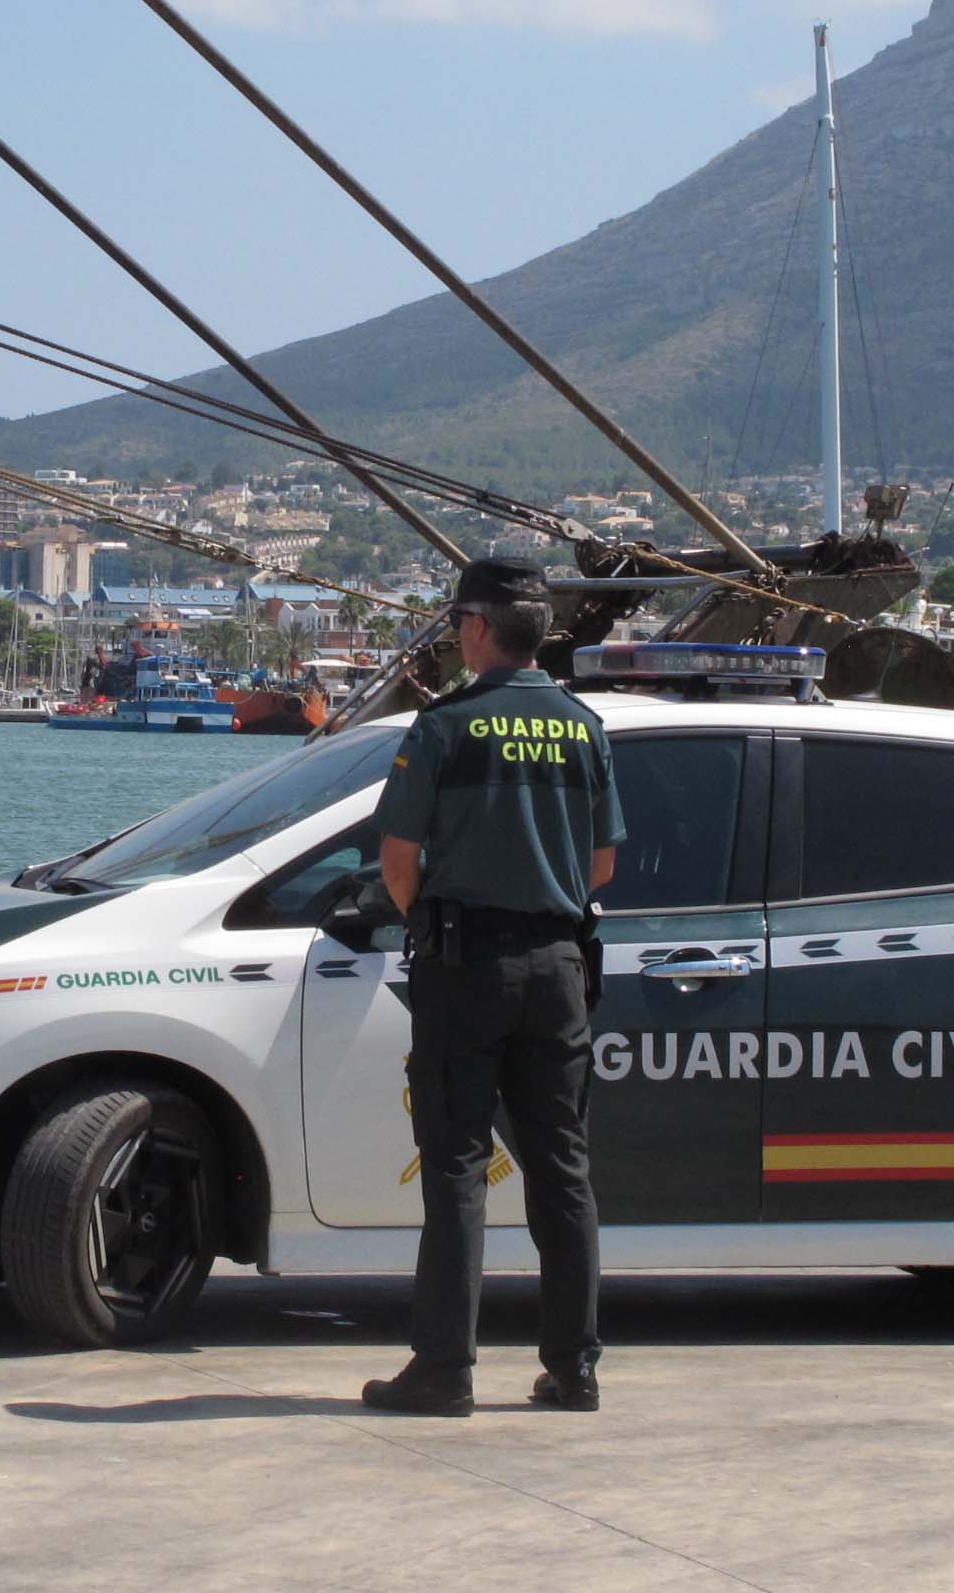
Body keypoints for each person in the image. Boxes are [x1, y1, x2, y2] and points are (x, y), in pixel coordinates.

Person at [361, 558, 621, 1418]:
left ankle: (444, 1371)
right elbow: (603, 863)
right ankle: (575, 1368)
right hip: (558, 969)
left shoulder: (445, 728)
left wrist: (430, 920)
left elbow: (399, 860)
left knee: (458, 1172)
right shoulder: (584, 728)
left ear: (477, 628)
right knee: (564, 1172)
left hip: (466, 969)